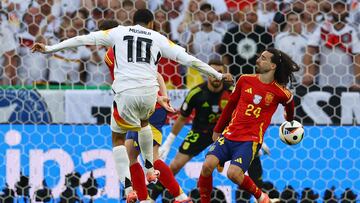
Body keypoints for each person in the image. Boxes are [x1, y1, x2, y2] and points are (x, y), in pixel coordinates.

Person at [32, 9, 232, 201]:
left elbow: (81, 39)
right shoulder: (156, 37)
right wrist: (219, 75)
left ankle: (134, 189)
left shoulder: (116, 39)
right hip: (148, 95)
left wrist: (49, 49)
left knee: (118, 139)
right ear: (152, 23)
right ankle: (149, 176)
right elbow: (189, 60)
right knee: (138, 134)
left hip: (127, 95)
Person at [197, 48, 299, 203]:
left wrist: (289, 120)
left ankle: (261, 197)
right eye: (259, 56)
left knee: (233, 174)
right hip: (230, 134)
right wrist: (217, 130)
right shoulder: (245, 80)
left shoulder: (280, 92)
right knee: (207, 166)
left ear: (273, 66)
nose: (258, 60)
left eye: (264, 58)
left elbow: (290, 103)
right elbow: (230, 106)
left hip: (250, 140)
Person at [159, 60, 233, 175]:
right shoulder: (196, 93)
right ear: (207, 73)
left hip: (225, 133)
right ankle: (153, 192)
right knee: (175, 165)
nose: (216, 76)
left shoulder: (232, 91)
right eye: (212, 72)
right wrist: (168, 143)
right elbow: (182, 118)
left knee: (210, 166)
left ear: (224, 74)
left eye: (219, 72)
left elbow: (243, 113)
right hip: (200, 131)